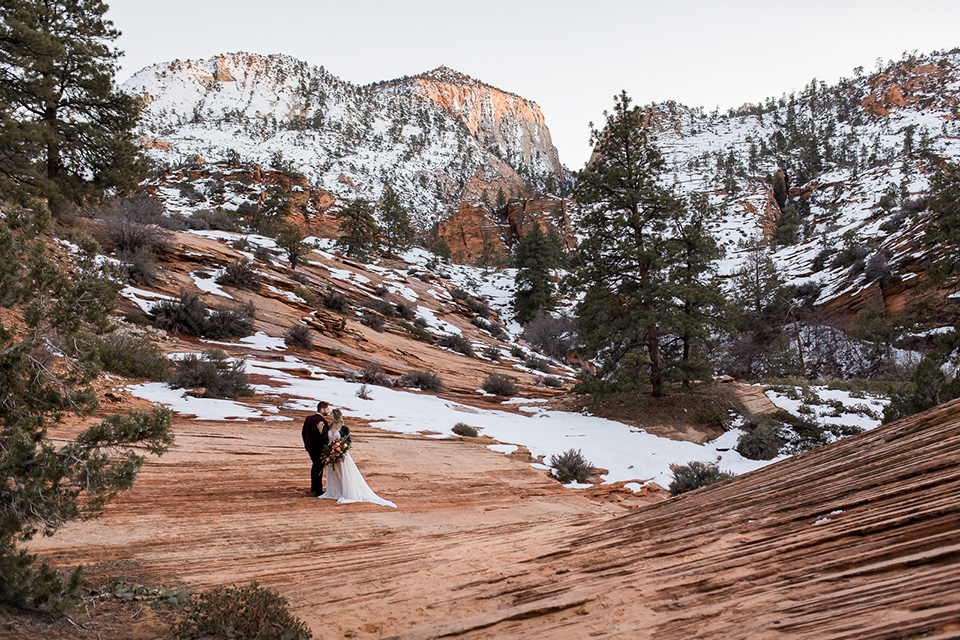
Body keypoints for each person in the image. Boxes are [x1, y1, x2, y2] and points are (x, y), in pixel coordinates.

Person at [318, 409, 396, 508]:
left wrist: (340, 449)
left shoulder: (344, 428)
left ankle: (347, 492)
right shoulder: (329, 427)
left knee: (344, 474)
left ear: (335, 416)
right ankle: (335, 492)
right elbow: (325, 439)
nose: (329, 416)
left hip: (341, 454)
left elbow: (348, 441)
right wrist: (321, 432)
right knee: (333, 473)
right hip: (331, 454)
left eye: (331, 414)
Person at [302, 401, 331, 496]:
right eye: (327, 409)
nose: (328, 411)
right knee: (319, 468)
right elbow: (325, 437)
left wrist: (306, 444)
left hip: (310, 447)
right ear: (322, 410)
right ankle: (318, 490)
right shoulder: (323, 422)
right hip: (320, 448)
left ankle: (313, 487)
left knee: (314, 466)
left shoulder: (308, 419)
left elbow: (303, 433)